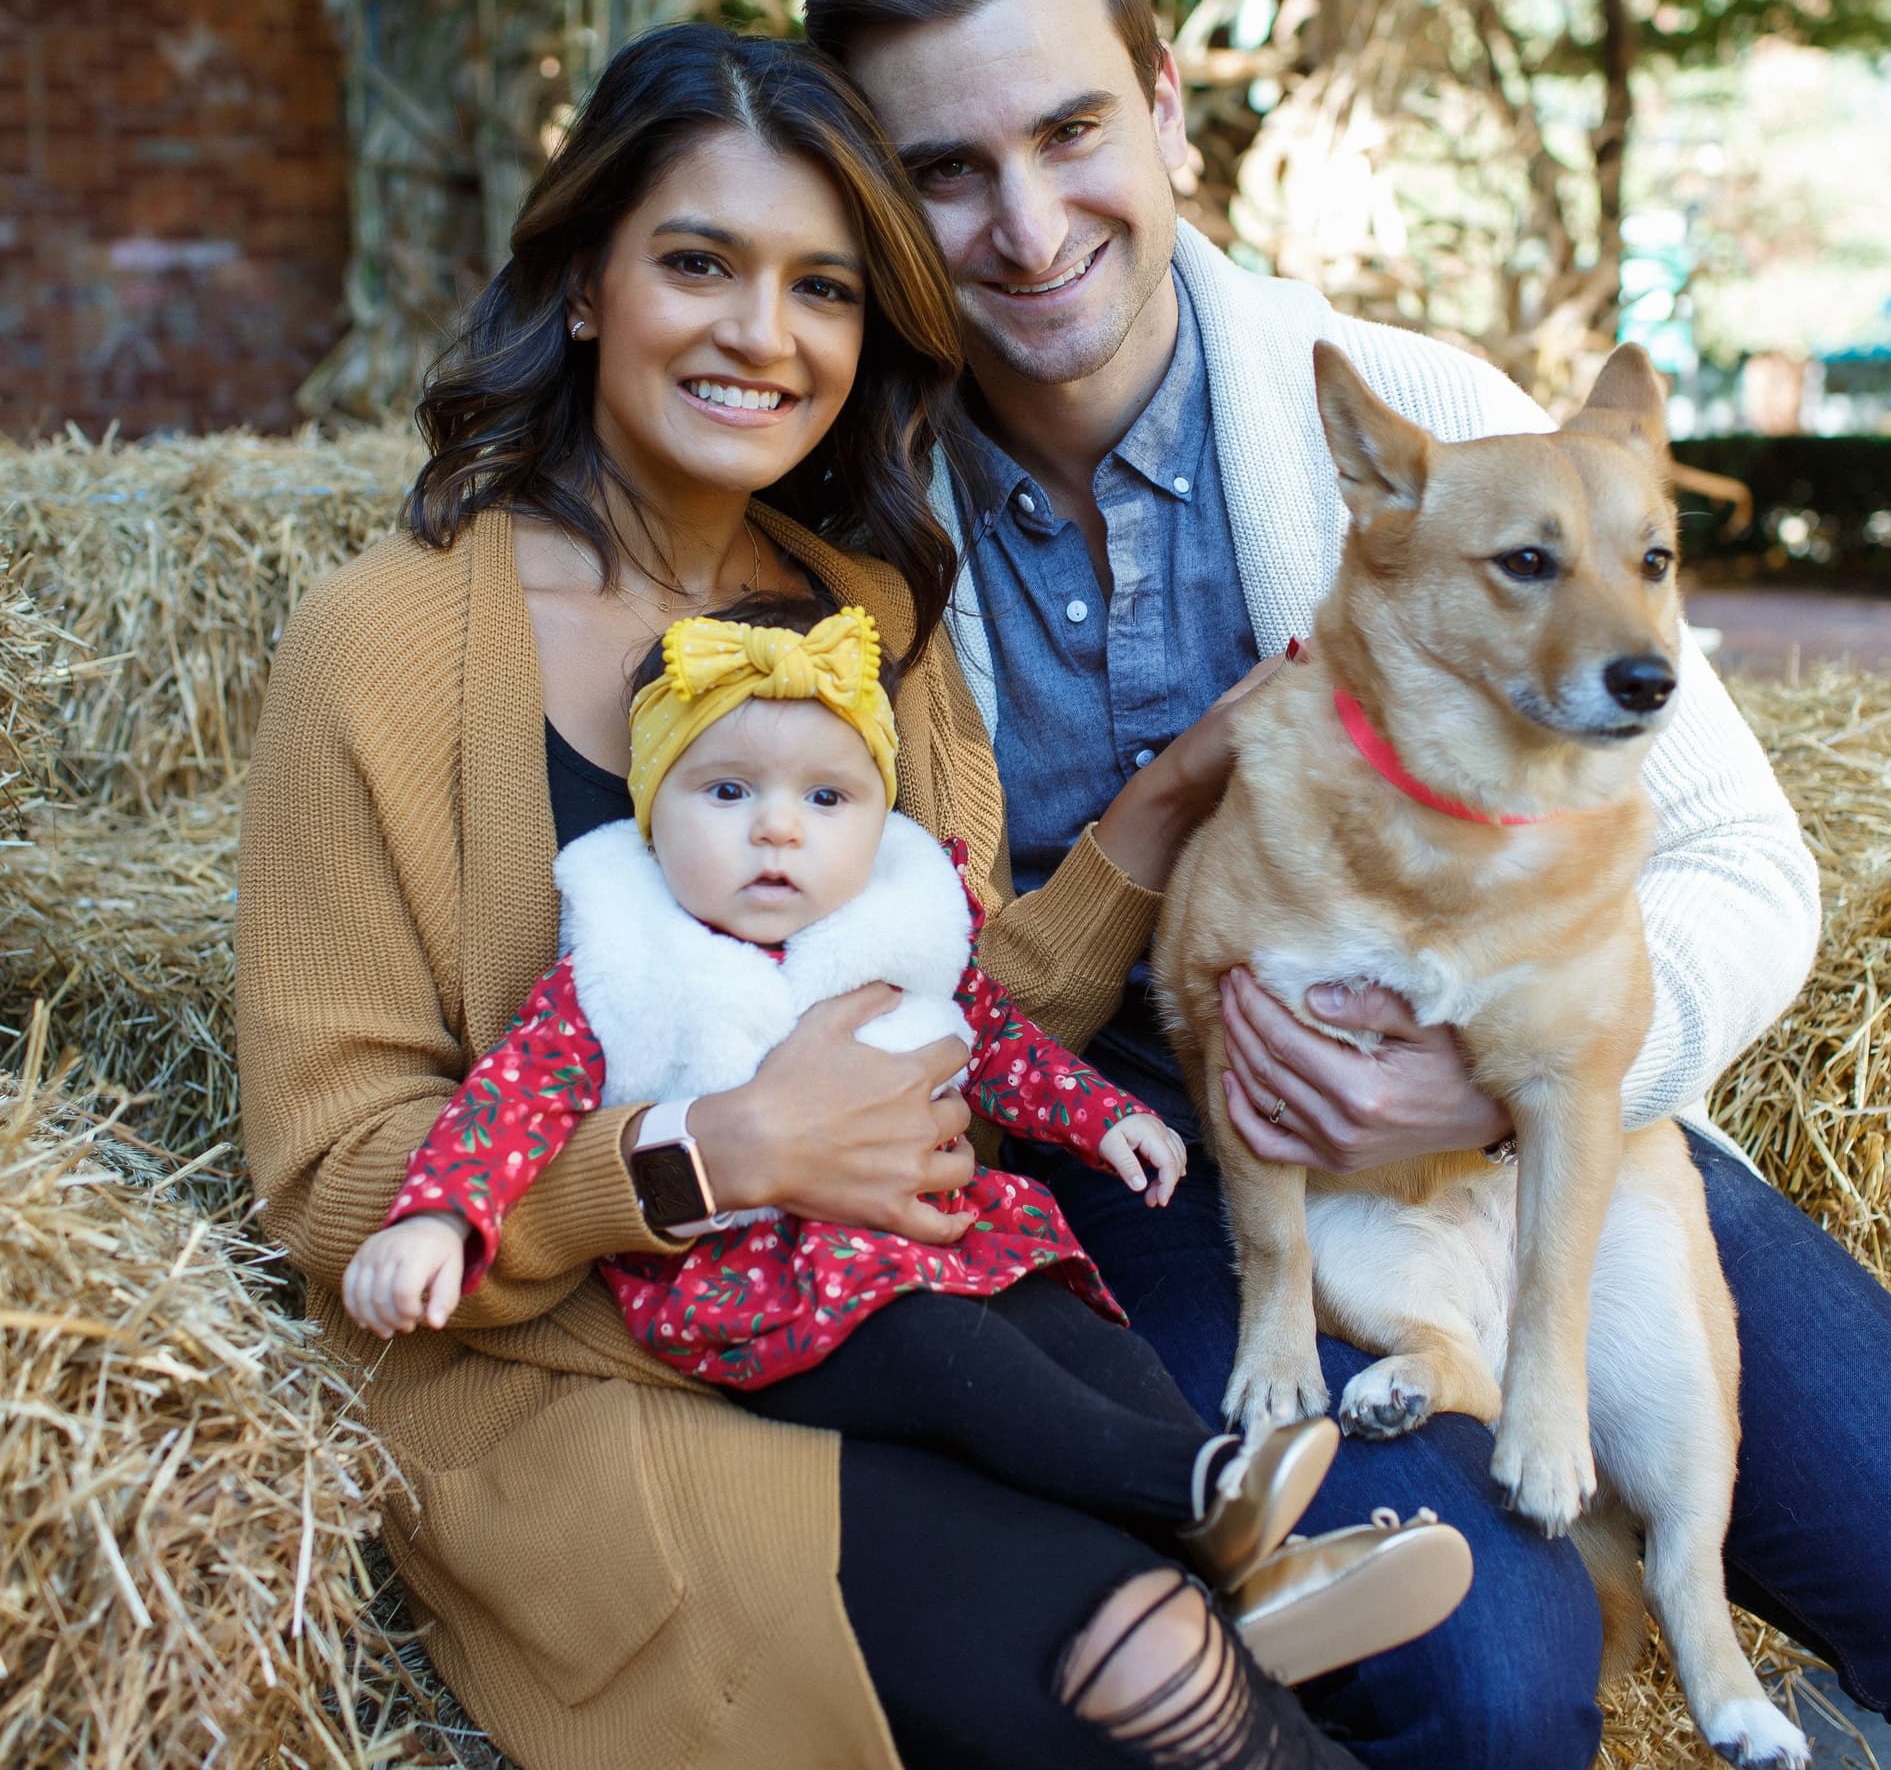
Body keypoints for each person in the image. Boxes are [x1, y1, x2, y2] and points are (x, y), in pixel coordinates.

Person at [803, 0, 1891, 1768]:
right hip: (1142, 1160)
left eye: (1074, 128)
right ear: (880, 206)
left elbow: (1750, 859)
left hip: (1532, 1098)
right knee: (1491, 1671)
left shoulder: (1423, 416)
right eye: (945, 170)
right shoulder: (845, 532)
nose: (1027, 221)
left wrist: (1497, 1086)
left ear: (1164, 108)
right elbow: (870, 992)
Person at [238, 21, 1415, 1770]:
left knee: (1244, 1622)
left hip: (898, 1307)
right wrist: (715, 1151)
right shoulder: (387, 641)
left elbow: (948, 991)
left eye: (825, 288)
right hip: (577, 1372)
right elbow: (335, 1185)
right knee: (1146, 1652)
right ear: (580, 283)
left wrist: (1167, 808)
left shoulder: (866, 600)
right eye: (699, 262)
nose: (762, 336)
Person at [337, 593, 1471, 1691]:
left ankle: (1251, 1573)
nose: (777, 828)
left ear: (877, 818)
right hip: (782, 1297)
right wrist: (443, 1215)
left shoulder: (893, 928)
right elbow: (509, 1099)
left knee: (1082, 1339)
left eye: (826, 798)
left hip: (953, 1241)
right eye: (726, 789)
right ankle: (1201, 1488)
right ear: (650, 804)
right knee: (955, 1364)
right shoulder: (625, 963)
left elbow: (998, 1043)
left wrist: (1109, 1114)